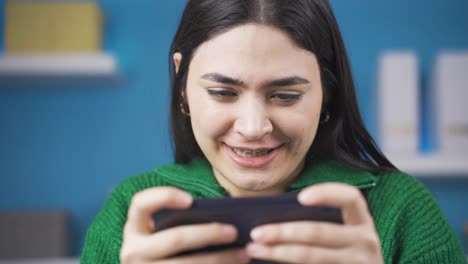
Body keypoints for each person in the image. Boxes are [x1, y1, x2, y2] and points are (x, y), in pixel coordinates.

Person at [81, 0, 466, 263]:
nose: (253, 128)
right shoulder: (128, 212)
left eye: (285, 95)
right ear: (182, 83)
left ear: (326, 93)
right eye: (222, 92)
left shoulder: (403, 211)